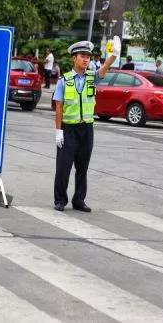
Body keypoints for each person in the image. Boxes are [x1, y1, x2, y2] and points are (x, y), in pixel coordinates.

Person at [52, 37, 120, 212]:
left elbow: (104, 68)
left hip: (87, 129)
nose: (86, 59)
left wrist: (113, 55)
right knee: (63, 167)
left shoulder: (92, 77)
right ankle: (60, 200)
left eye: (88, 57)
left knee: (82, 168)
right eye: (82, 56)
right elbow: (59, 108)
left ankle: (79, 200)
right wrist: (58, 131)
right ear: (74, 58)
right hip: (68, 129)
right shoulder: (64, 80)